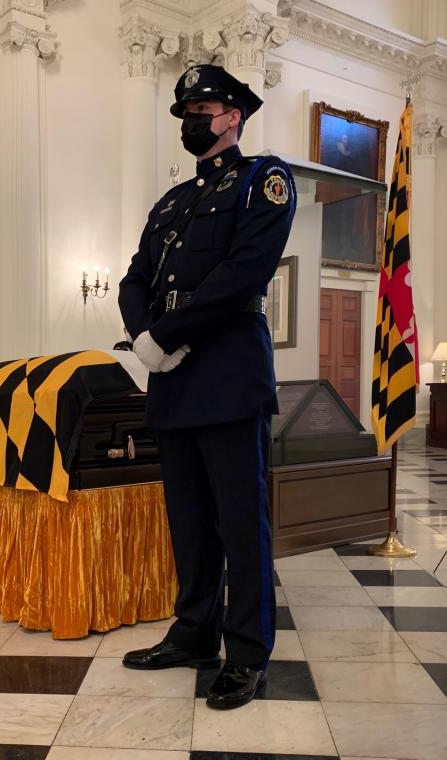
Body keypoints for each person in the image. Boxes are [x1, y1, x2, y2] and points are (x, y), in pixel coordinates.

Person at [118, 64, 297, 710]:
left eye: (204, 107)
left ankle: (247, 653)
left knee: (240, 525)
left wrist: (163, 336)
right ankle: (194, 633)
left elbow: (243, 274)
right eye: (187, 109)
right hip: (173, 384)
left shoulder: (263, 182)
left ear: (233, 116)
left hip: (226, 378)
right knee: (189, 524)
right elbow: (133, 280)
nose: (193, 118)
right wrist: (144, 337)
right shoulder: (170, 203)